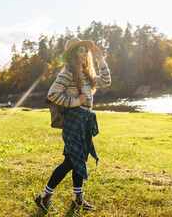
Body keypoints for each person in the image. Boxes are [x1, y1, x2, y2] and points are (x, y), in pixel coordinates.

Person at [34, 37, 111, 213]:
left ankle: (77, 198)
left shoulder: (86, 74)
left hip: (85, 121)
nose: (84, 54)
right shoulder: (67, 73)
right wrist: (75, 101)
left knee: (80, 160)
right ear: (73, 55)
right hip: (74, 121)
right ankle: (44, 196)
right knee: (70, 161)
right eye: (80, 51)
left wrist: (101, 59)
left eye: (86, 50)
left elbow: (106, 81)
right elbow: (52, 95)